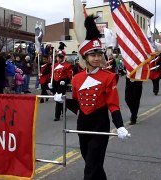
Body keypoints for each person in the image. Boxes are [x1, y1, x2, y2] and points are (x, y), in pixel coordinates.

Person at [54, 15, 129, 180]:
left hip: (100, 124)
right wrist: (63, 101)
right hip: (83, 124)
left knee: (90, 168)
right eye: (92, 55)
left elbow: (113, 105)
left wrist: (120, 125)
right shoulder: (77, 78)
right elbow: (77, 105)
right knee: (92, 162)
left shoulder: (108, 77)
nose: (96, 58)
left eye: (99, 54)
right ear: (85, 57)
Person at [48, 42, 73, 121]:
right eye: (57, 57)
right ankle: (64, 107)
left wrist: (65, 81)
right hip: (55, 83)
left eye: (60, 57)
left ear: (63, 57)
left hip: (62, 84)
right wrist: (50, 82)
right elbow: (52, 74)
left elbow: (69, 76)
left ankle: (57, 116)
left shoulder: (67, 65)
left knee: (58, 98)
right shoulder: (54, 65)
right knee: (57, 98)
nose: (58, 58)